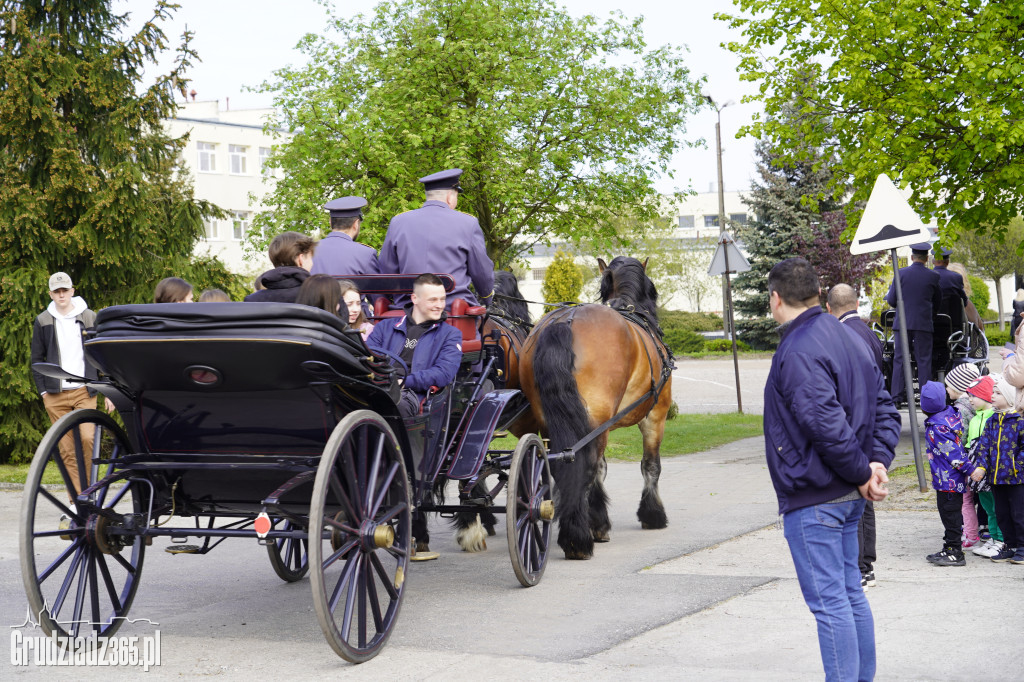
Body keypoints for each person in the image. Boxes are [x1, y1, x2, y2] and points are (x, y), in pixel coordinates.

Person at [764, 258, 900, 682]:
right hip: (844, 493)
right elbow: (884, 407)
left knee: (832, 603)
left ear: (775, 299)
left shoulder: (800, 348)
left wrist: (867, 469)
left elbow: (825, 424)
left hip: (819, 495)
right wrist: (874, 463)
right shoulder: (848, 337)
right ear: (819, 294)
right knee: (848, 594)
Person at [827, 282, 884, 588]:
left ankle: (861, 566)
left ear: (828, 309)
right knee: (867, 499)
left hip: (856, 426)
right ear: (857, 302)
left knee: (858, 499)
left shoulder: (844, 336)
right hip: (872, 423)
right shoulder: (868, 333)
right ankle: (866, 564)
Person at [378, 168, 494, 309]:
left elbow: (386, 269)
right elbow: (481, 272)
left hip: (408, 310)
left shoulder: (398, 222)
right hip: (453, 310)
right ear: (450, 197)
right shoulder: (468, 223)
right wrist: (487, 298)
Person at [30, 273, 101, 495]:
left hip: (84, 390)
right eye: (56, 291)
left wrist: (106, 388)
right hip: (55, 393)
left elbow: (102, 353)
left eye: (65, 290)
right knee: (67, 450)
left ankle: (89, 493)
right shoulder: (43, 320)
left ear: (72, 291)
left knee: (88, 439)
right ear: (51, 294)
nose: (61, 295)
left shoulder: (89, 317)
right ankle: (76, 500)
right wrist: (43, 392)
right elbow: (36, 358)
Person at [366, 273, 462, 420]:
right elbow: (368, 358)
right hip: (377, 387)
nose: (440, 305)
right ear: (414, 298)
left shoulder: (450, 334)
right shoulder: (385, 327)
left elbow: (443, 373)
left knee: (387, 403)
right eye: (433, 300)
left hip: (412, 394)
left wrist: (403, 382)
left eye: (442, 299)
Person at [920, 381, 976, 566]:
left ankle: (955, 552)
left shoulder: (938, 427)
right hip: (944, 479)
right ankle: (949, 546)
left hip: (949, 481)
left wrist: (970, 470)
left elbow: (955, 454)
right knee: (948, 514)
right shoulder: (949, 416)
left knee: (950, 514)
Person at [970, 376, 1024, 564]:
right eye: (993, 392)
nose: (992, 396)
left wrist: (1017, 466)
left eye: (998, 393)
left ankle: (1022, 547)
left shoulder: (1019, 420)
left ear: (1010, 397)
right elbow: (984, 447)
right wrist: (982, 467)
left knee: (1019, 513)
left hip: (1017, 479)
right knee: (1001, 512)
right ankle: (1009, 545)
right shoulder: (992, 421)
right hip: (996, 478)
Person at [885, 242, 942, 406]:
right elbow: (937, 301)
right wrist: (929, 315)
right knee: (924, 361)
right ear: (926, 258)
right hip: (923, 324)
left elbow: (892, 300)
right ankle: (926, 399)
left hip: (902, 323)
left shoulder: (900, 274)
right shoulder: (933, 276)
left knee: (900, 360)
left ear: (912, 257)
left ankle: (896, 398)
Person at [964, 377, 1007, 559]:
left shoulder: (992, 417)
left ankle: (1002, 539)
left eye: (973, 396)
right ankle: (993, 538)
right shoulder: (975, 419)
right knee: (987, 506)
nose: (971, 400)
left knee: (997, 506)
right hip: (976, 471)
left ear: (985, 396)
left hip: (989, 470)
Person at [944, 362, 981, 548]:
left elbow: (960, 436)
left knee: (965, 500)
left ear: (958, 387)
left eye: (948, 386)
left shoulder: (960, 409)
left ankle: (970, 534)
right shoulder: (975, 404)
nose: (946, 389)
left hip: (964, 459)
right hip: (976, 457)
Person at [310, 196, 380, 280]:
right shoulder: (366, 254)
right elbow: (376, 291)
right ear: (356, 224)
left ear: (330, 222)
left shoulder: (308, 249)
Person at [244, 231, 315, 303]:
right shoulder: (317, 297)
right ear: (301, 259)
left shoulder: (252, 300)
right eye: (310, 258)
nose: (312, 263)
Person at [931, 245, 969, 328]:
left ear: (933, 261)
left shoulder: (925, 277)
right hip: (952, 324)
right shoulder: (956, 277)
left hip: (929, 323)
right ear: (947, 262)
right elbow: (964, 301)